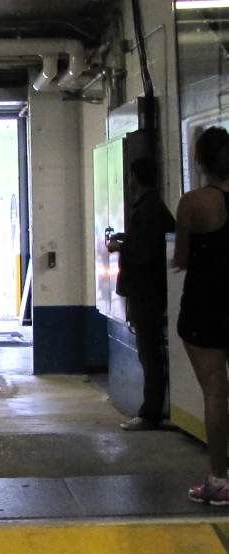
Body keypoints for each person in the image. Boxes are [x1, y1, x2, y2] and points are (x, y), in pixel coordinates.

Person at [173, 126, 229, 505]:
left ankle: (219, 480)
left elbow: (181, 258)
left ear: (199, 163)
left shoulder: (192, 203)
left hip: (205, 306)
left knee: (215, 392)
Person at [107, 157, 176, 431]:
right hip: (153, 292)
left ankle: (150, 413)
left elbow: (145, 254)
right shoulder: (155, 209)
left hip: (146, 293)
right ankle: (153, 409)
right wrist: (129, 239)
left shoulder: (146, 211)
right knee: (150, 352)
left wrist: (120, 248)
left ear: (134, 177)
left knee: (149, 354)